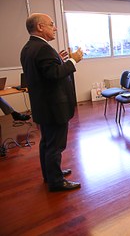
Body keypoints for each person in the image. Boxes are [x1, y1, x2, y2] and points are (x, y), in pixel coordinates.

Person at [20, 13, 84, 192]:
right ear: (40, 27)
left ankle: (50, 175)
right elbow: (54, 75)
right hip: (54, 107)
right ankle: (56, 182)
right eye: (51, 24)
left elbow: (46, 73)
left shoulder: (28, 47)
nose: (55, 28)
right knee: (55, 145)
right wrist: (73, 60)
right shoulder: (43, 49)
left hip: (43, 106)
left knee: (47, 143)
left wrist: (61, 61)